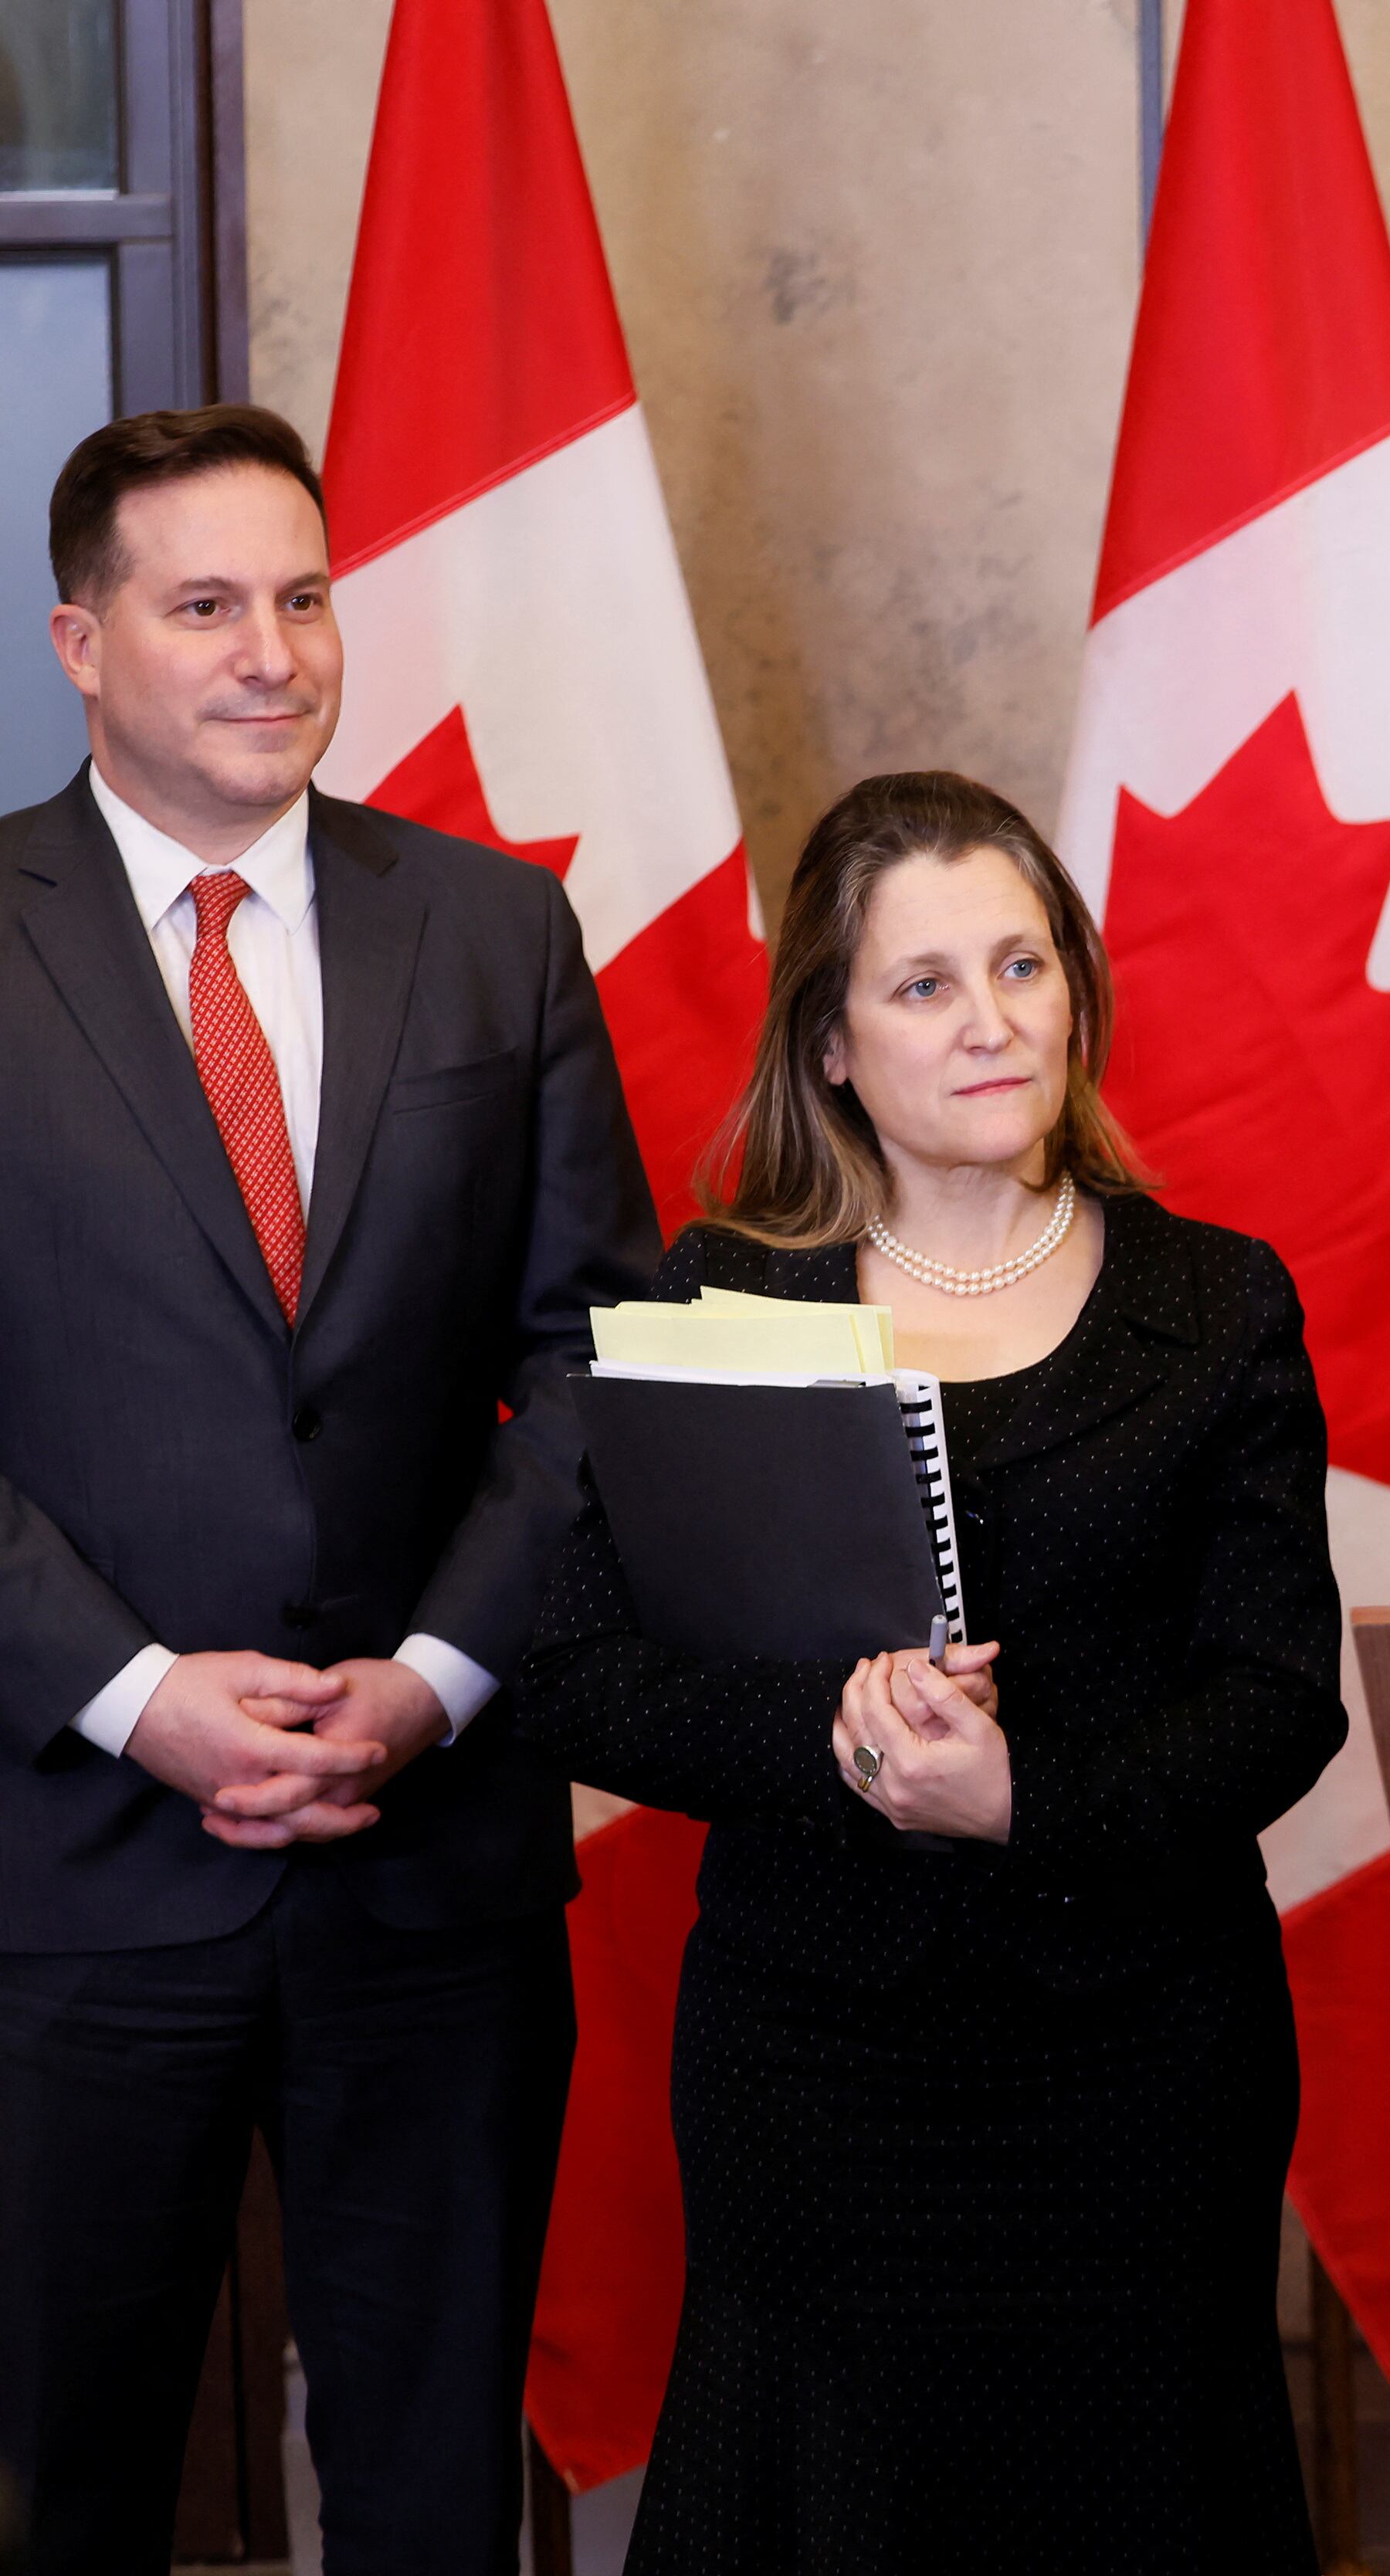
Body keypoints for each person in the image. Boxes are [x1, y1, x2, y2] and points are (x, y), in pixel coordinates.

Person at [512, 772, 1344, 2574]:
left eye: (1023, 966)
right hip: (818, 2061)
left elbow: (1279, 1697)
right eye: (925, 986)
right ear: (827, 1043)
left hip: (1143, 2055)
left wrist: (1023, 1796)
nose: (992, 1023)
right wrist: (837, 1738)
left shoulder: (1220, 1303)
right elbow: (575, 1668)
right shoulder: (727, 1303)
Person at [0, 405, 659, 2571]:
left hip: (428, 1864)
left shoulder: (493, 933)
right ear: (83, 641)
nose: (273, 651)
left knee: (432, 2487)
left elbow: (596, 1365)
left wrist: (438, 1679)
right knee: (66, 2480)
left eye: (302, 596)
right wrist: (136, 1694)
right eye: (206, 609)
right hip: (71, 1875)